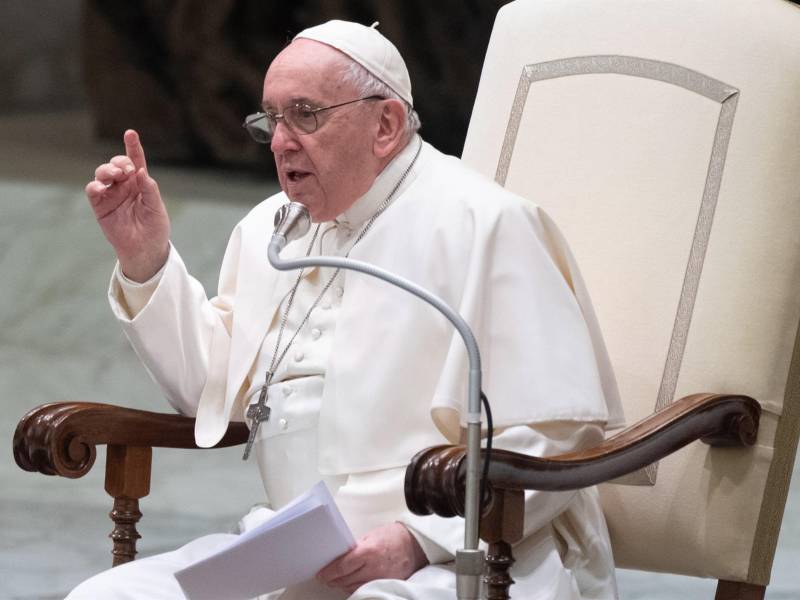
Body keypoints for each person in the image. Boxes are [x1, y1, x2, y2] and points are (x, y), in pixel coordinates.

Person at [70, 20, 624, 600]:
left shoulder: (483, 223)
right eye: (271, 119)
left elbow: (557, 433)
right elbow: (209, 391)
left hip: (463, 554)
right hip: (293, 552)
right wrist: (146, 259)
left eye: (305, 115)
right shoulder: (270, 230)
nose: (280, 142)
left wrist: (417, 539)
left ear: (385, 125)